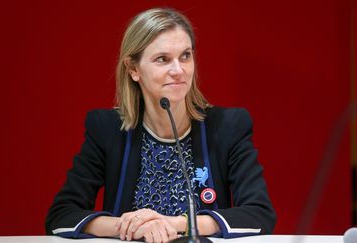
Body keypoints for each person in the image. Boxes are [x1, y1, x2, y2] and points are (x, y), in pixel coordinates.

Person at [45, 8, 276, 243]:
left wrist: (178, 223)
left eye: (185, 56)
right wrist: (127, 226)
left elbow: (259, 214)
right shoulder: (107, 129)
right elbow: (61, 216)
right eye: (163, 59)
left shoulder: (228, 127)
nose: (178, 70)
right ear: (133, 69)